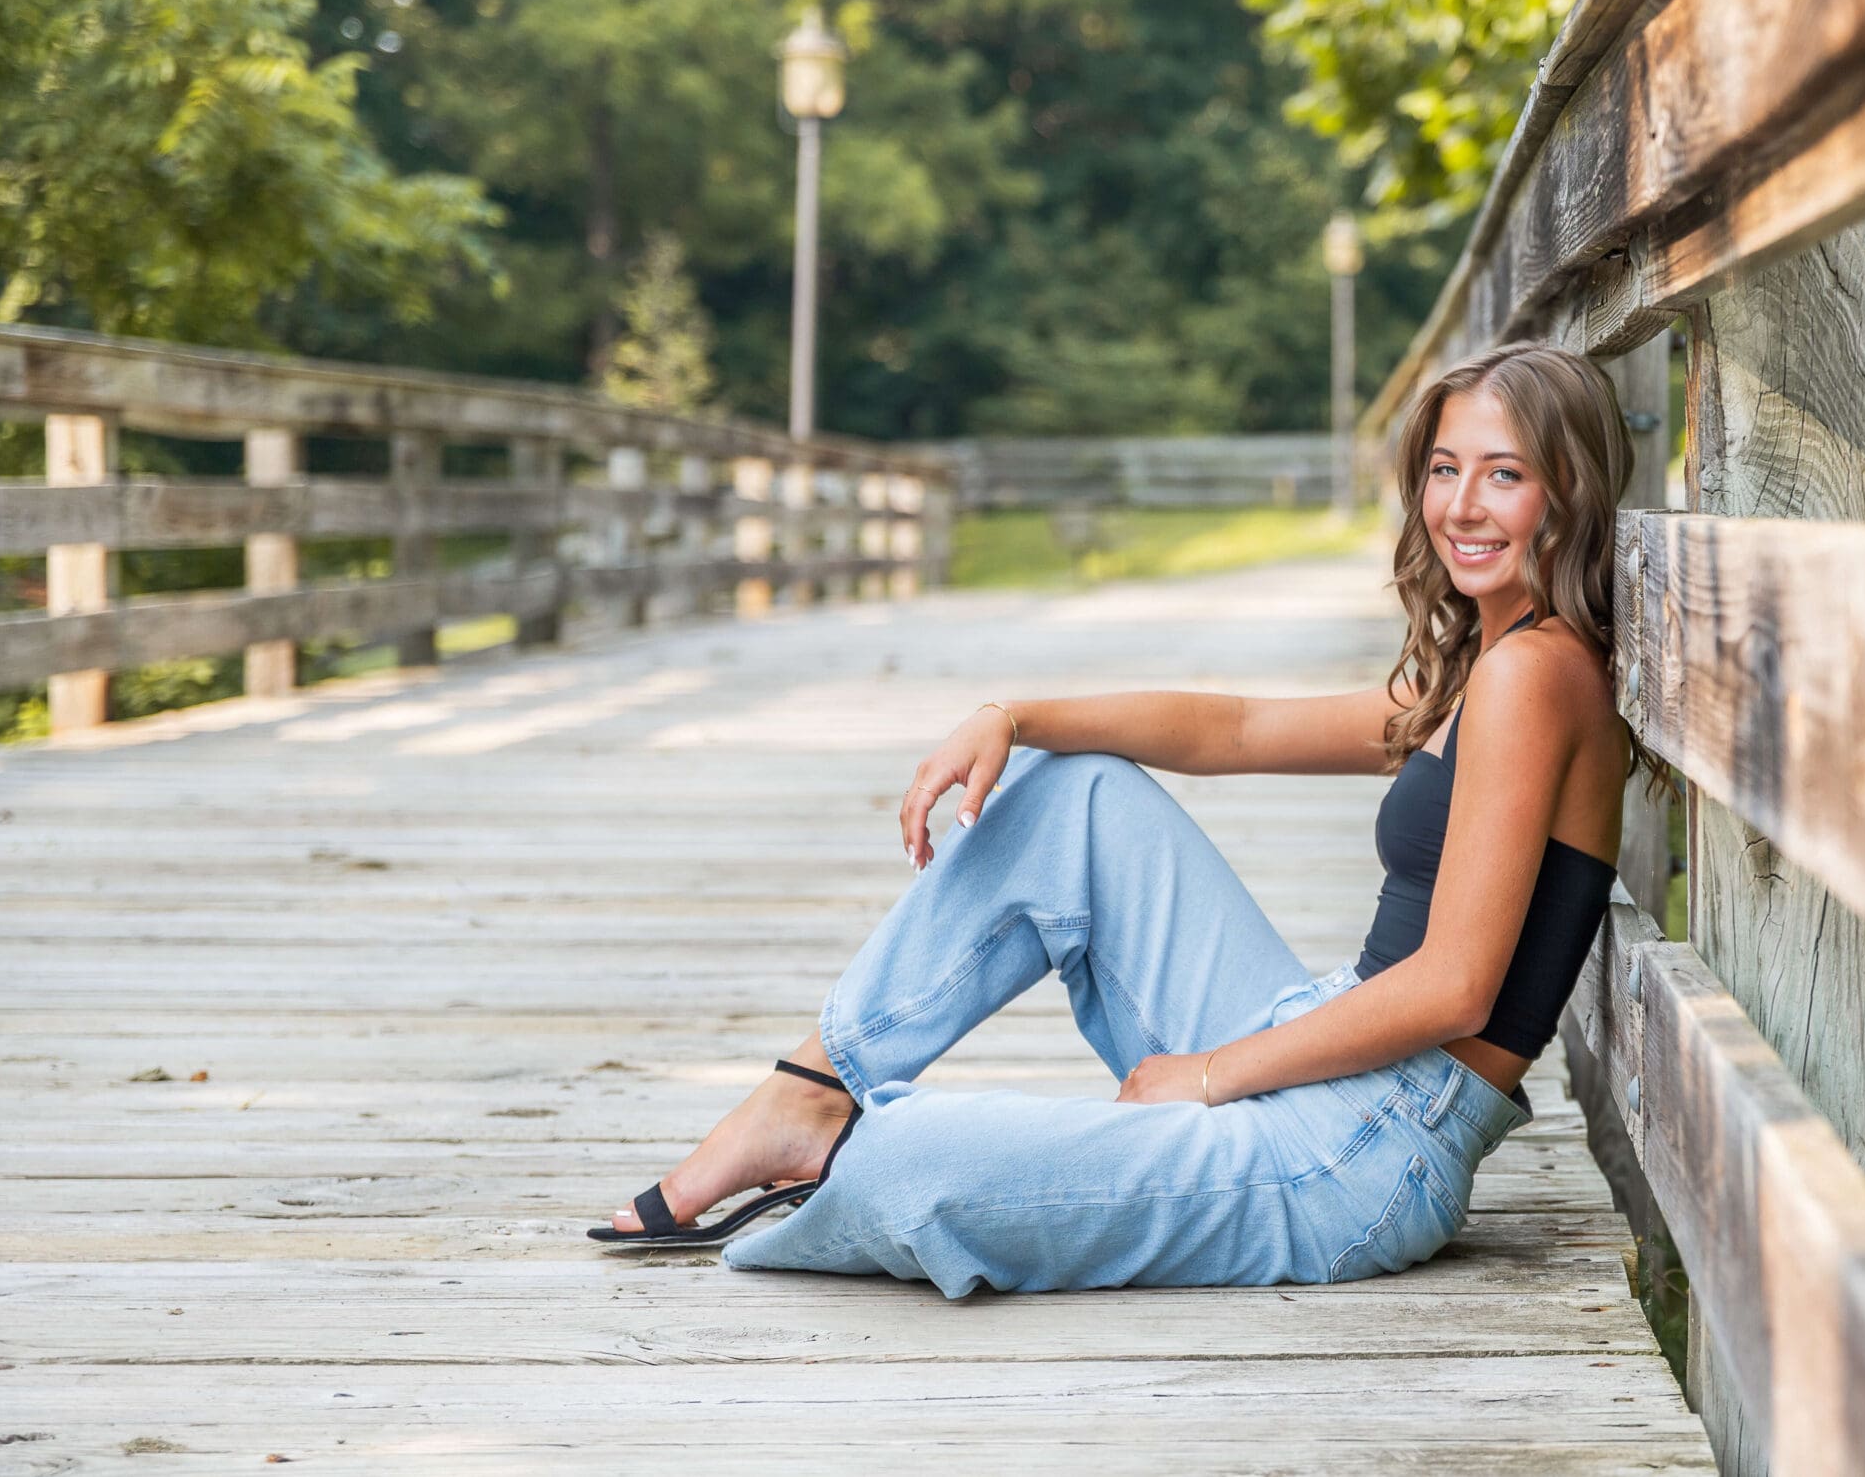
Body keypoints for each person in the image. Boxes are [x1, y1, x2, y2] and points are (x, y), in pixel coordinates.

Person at [589, 341, 1671, 1296]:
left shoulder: (1537, 675)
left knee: (911, 1167)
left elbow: (1453, 988)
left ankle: (846, 1150)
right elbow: (1236, 730)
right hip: (1326, 1058)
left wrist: (1206, 1077)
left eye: (1504, 475)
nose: (1461, 506)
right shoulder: (1487, 667)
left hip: (1365, 1153)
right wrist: (1015, 713)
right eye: (1444, 469)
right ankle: (813, 1087)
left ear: (1567, 489)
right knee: (1076, 791)